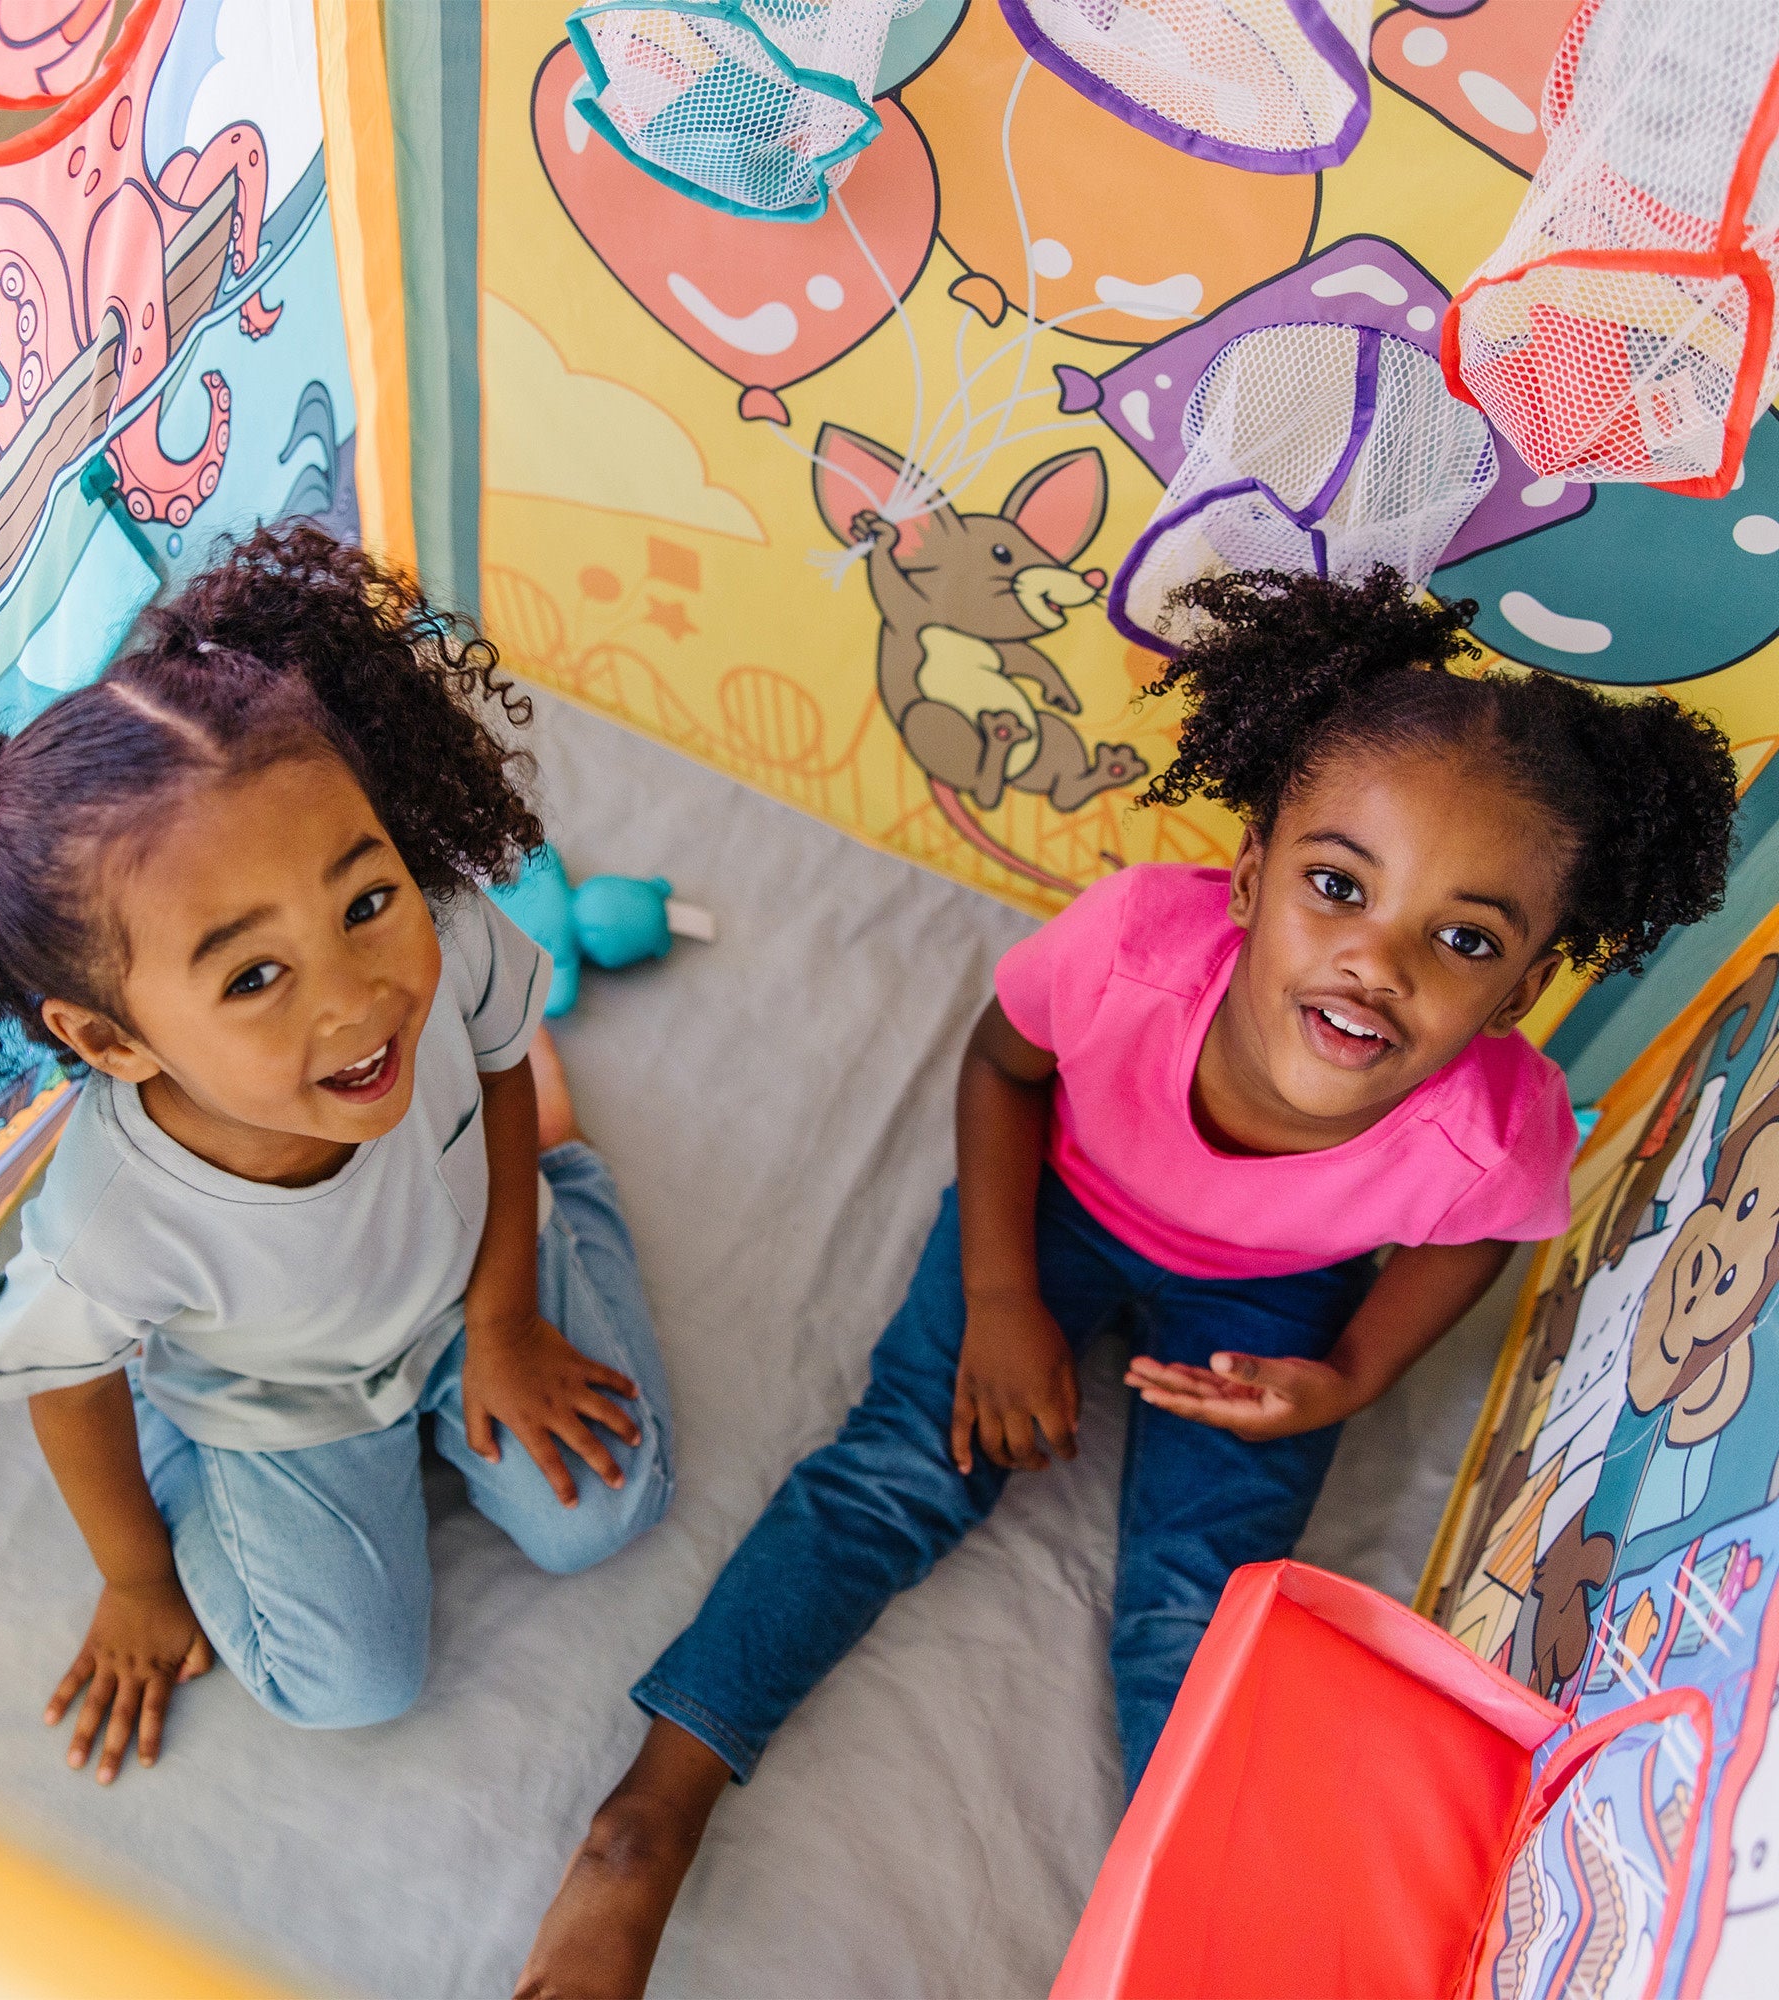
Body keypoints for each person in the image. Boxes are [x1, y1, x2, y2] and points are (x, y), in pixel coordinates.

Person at [514, 566, 1740, 2000]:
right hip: (1055, 1216)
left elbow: (1480, 1237)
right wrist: (1002, 1300)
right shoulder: (1135, 954)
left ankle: (1195, 1957)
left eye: (1463, 939)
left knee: (1199, 1608)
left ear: (1520, 989)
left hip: (1276, 1299)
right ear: (1250, 878)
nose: (1374, 961)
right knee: (893, 1476)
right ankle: (640, 1826)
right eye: (1336, 886)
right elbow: (999, 1067)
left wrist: (1348, 1376)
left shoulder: (1492, 1120)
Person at [0, 524, 672, 1784]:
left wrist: (504, 1325)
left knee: (611, 1507)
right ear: (111, 1037)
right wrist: (136, 1578)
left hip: (463, 1281)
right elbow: (64, 1382)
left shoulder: (448, 944)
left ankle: (569, 1167)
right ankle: (195, 1441)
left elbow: (490, 1068)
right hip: (278, 1396)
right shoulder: (115, 1219)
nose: (359, 998)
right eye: (254, 974)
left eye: (364, 899)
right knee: (345, 1685)